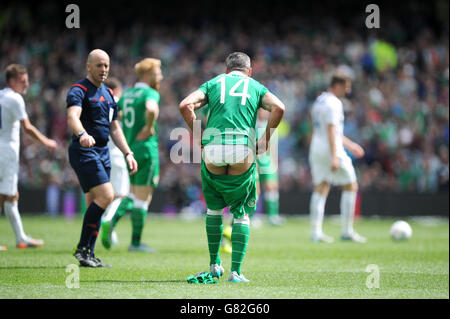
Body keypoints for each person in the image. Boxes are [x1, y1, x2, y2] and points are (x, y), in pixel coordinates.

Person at [179, 52, 285, 282]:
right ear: (249, 71)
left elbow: (185, 105)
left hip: (214, 149)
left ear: (227, 70)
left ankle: (214, 265)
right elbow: (279, 108)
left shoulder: (214, 83)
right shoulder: (255, 86)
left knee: (214, 210)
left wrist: (199, 135)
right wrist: (266, 139)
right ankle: (235, 272)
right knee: (241, 213)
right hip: (242, 150)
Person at [67, 49, 137, 267]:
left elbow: (115, 128)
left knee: (95, 202)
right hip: (84, 150)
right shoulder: (79, 90)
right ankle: (82, 249)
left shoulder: (108, 94)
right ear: (88, 66)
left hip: (103, 152)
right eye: (99, 65)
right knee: (107, 195)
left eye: (106, 65)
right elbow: (72, 116)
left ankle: (89, 254)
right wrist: (82, 134)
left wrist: (128, 152)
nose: (103, 69)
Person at [101, 58, 162, 253]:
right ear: (148, 74)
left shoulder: (126, 95)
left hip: (129, 150)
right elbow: (151, 108)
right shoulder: (150, 93)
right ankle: (133, 240)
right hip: (145, 148)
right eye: (158, 71)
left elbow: (115, 117)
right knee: (142, 198)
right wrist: (149, 127)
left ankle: (112, 220)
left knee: (133, 193)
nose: (161, 75)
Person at [0, 64, 57, 250]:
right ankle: (21, 238)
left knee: (11, 195)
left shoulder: (1, 96)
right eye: (23, 81)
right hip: (7, 151)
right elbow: (27, 127)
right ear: (12, 81)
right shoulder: (15, 99)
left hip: (4, 149)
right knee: (4, 195)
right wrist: (46, 141)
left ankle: (21, 237)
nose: (27, 84)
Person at [309, 73, 366, 243]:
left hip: (316, 147)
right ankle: (347, 231)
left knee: (321, 187)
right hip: (330, 149)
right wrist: (335, 156)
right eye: (346, 87)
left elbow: (326, 129)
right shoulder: (334, 103)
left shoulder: (319, 101)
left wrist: (351, 145)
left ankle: (316, 233)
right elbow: (332, 130)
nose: (348, 91)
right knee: (351, 185)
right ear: (338, 85)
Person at [101, 77, 129, 246]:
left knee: (107, 195)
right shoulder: (118, 102)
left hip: (103, 153)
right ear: (116, 90)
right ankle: (109, 219)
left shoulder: (100, 102)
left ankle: (110, 234)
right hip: (117, 153)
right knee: (121, 195)